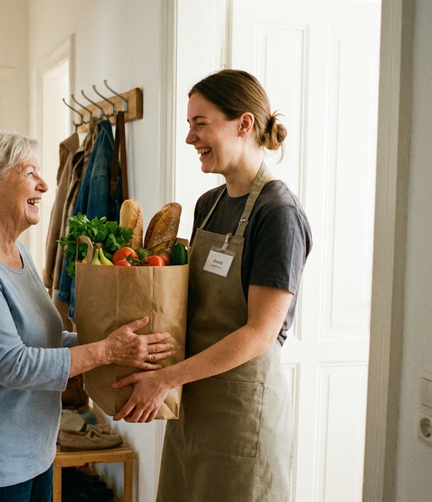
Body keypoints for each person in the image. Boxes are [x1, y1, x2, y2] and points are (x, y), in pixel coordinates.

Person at [0, 131, 174, 502]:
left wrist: (119, 342)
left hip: (35, 450)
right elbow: (12, 365)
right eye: (30, 173)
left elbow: (44, 339)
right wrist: (107, 351)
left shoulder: (18, 253)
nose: (44, 186)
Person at [113, 70, 313, 501]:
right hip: (191, 406)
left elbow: (260, 333)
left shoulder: (278, 214)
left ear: (244, 124)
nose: (190, 138)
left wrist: (165, 380)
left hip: (241, 415)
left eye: (200, 124)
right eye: (189, 125)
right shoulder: (208, 204)